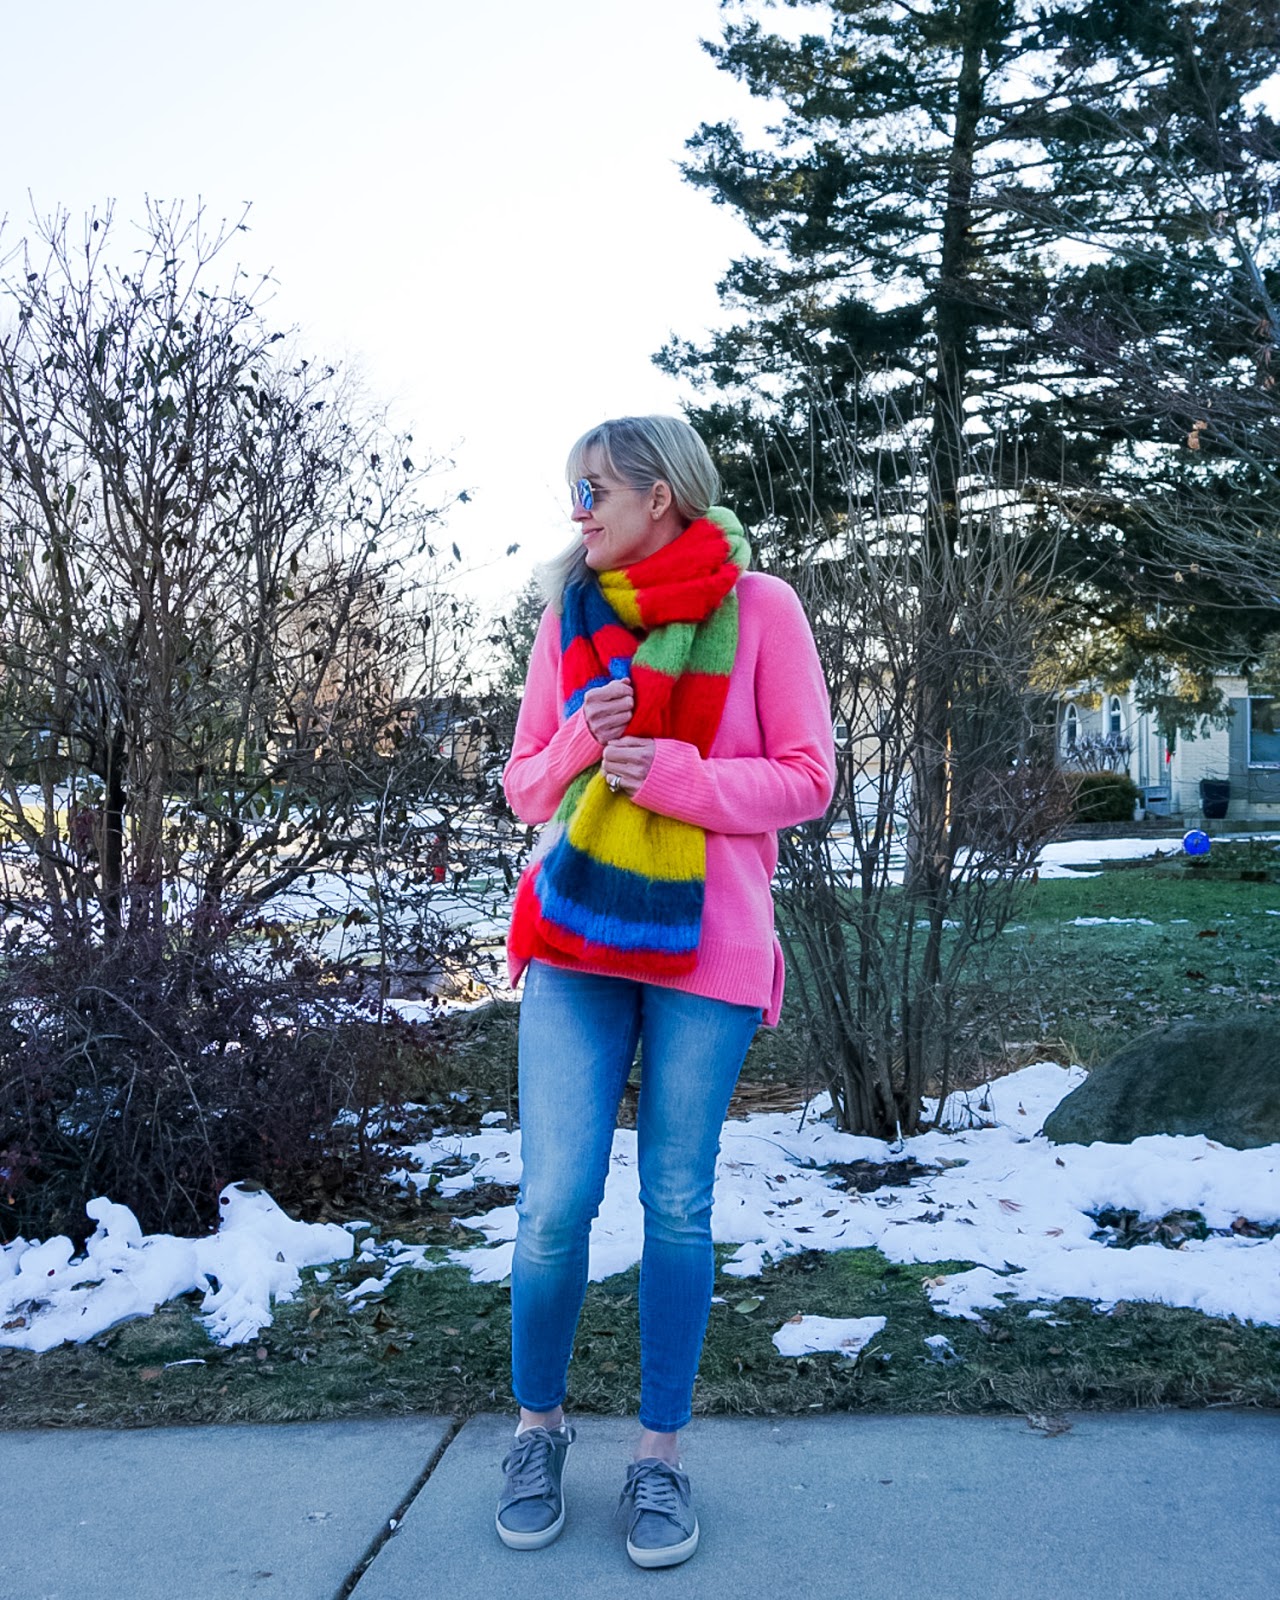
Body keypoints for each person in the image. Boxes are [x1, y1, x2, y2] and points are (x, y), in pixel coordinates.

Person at [497, 415, 835, 1569]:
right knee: (552, 1205)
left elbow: (807, 779)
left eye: (593, 488)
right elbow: (522, 784)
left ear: (662, 494)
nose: (578, 510)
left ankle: (658, 1458)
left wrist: (680, 776)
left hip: (708, 948)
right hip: (576, 941)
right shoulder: (569, 619)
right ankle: (536, 1429)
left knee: (677, 1204)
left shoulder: (762, 610)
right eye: (572, 491)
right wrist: (580, 751)